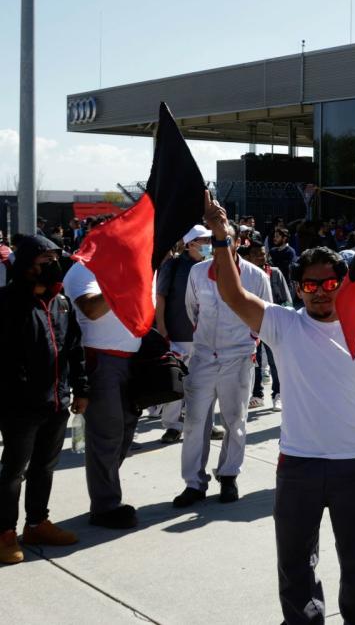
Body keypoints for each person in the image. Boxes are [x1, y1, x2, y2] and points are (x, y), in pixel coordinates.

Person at [203, 194, 355, 624]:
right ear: (298, 288)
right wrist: (221, 237)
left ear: (343, 284)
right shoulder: (284, 325)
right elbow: (233, 294)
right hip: (298, 468)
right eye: (310, 285)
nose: (321, 293)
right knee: (295, 568)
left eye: (330, 284)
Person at [0, 236, 88, 564]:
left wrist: (81, 390)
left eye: (54, 258)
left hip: (56, 401)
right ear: (26, 264)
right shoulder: (7, 303)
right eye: (44, 259)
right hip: (20, 406)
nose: (51, 265)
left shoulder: (61, 303)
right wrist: (20, 395)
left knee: (44, 467)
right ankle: (5, 533)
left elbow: (74, 350)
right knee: (13, 471)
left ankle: (37, 523)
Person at [172, 224, 271, 507]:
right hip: (202, 357)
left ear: (238, 242)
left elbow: (266, 315)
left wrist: (248, 344)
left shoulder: (255, 276)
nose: (215, 244)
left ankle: (228, 475)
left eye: (223, 239)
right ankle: (194, 482)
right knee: (193, 422)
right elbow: (193, 310)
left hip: (238, 357)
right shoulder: (197, 272)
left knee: (235, 421)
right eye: (213, 239)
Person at [63, 257, 142, 529]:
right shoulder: (82, 270)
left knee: (126, 431)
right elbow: (91, 310)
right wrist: (125, 282)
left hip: (132, 358)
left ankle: (105, 492)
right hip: (100, 359)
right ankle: (105, 505)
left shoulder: (132, 265)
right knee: (107, 435)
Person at [154, 225, 211, 444]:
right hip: (178, 334)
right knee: (177, 383)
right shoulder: (174, 265)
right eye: (204, 241)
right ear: (190, 245)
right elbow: (161, 297)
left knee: (205, 384)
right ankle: (173, 426)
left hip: (206, 337)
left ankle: (205, 423)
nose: (208, 245)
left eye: (209, 240)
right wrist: (162, 329)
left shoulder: (213, 266)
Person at [241, 240, 291, 410]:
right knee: (255, 361)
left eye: (263, 254)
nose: (261, 257)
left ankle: (278, 394)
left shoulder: (275, 273)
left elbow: (285, 297)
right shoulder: (244, 275)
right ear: (248, 257)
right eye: (257, 254)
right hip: (251, 323)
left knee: (275, 360)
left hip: (272, 322)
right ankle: (257, 394)